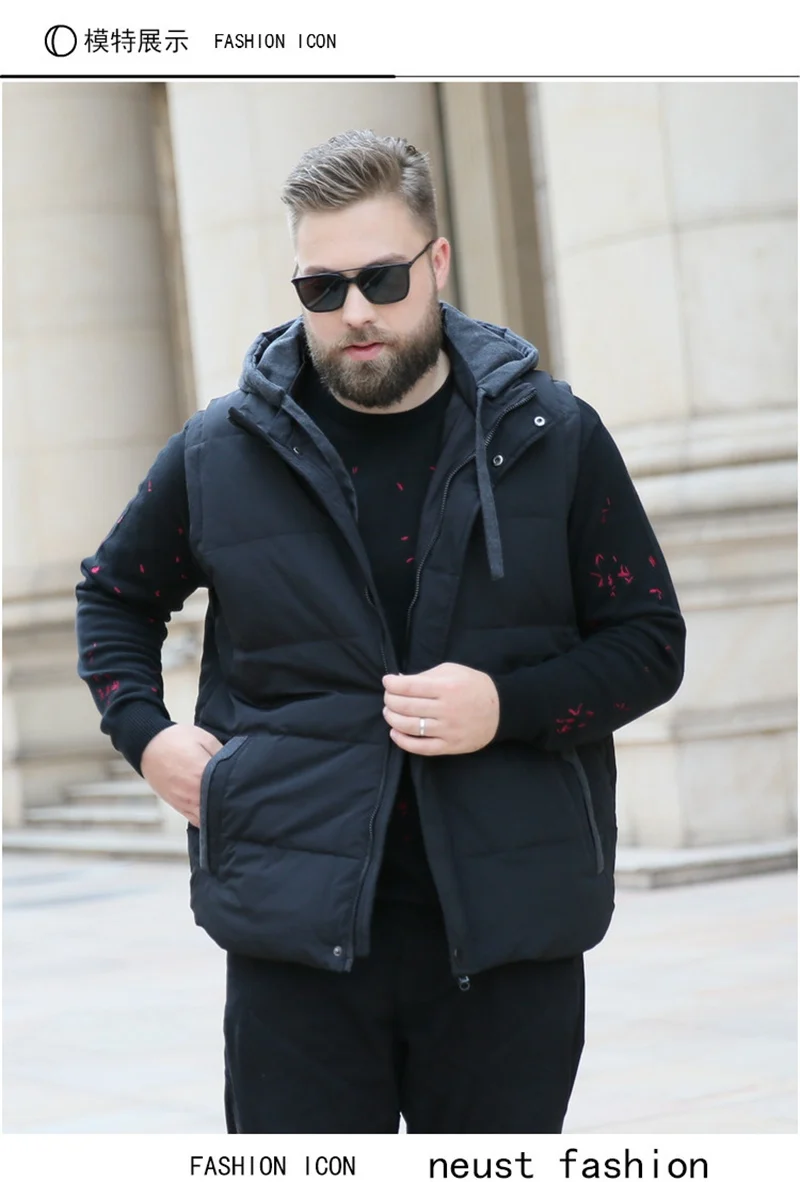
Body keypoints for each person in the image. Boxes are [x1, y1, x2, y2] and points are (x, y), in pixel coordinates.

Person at [76, 129, 686, 1134]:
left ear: (436, 262)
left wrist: (506, 706)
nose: (355, 311)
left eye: (382, 278)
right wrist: (148, 737)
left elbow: (648, 641)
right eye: (322, 288)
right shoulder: (219, 451)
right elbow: (113, 596)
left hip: (507, 937)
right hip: (294, 941)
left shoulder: (551, 435)